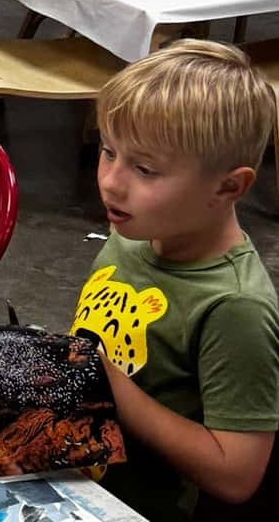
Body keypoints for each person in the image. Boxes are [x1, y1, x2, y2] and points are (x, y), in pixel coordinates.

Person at [72, 40, 279, 520]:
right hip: (74, 472)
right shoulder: (132, 236)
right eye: (108, 151)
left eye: (145, 169)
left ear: (228, 186)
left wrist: (113, 388)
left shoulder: (235, 307)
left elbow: (236, 475)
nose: (111, 182)